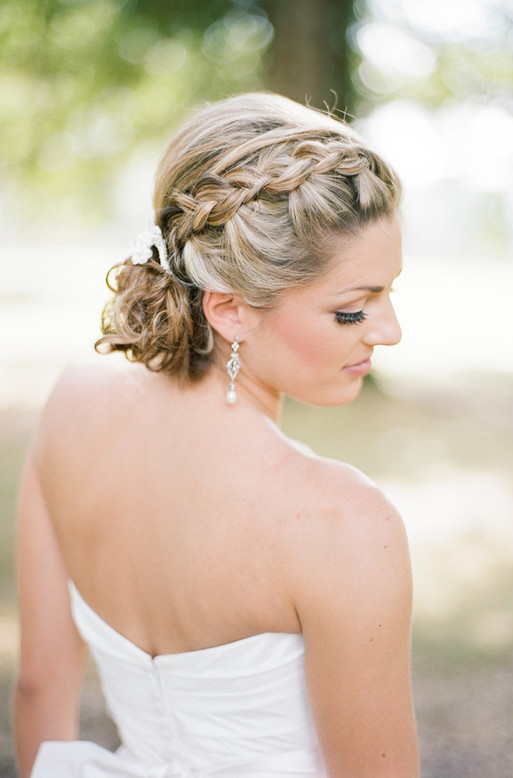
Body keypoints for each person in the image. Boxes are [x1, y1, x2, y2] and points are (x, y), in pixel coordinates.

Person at [13, 92, 419, 778]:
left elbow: (37, 693)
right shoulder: (343, 524)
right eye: (353, 310)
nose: (389, 331)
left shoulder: (71, 404)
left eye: (390, 293)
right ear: (230, 308)